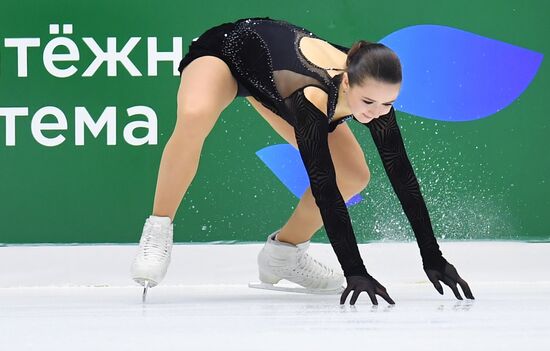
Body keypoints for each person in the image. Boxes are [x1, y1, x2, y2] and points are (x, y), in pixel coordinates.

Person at [130, 16, 475, 305]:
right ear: (347, 81)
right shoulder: (311, 94)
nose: (377, 113)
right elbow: (322, 186)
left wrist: (433, 256)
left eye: (388, 104)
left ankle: (284, 253)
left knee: (353, 175)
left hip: (271, 79)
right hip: (226, 54)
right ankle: (159, 228)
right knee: (195, 114)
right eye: (369, 102)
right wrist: (355, 270)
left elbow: (402, 177)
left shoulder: (376, 94)